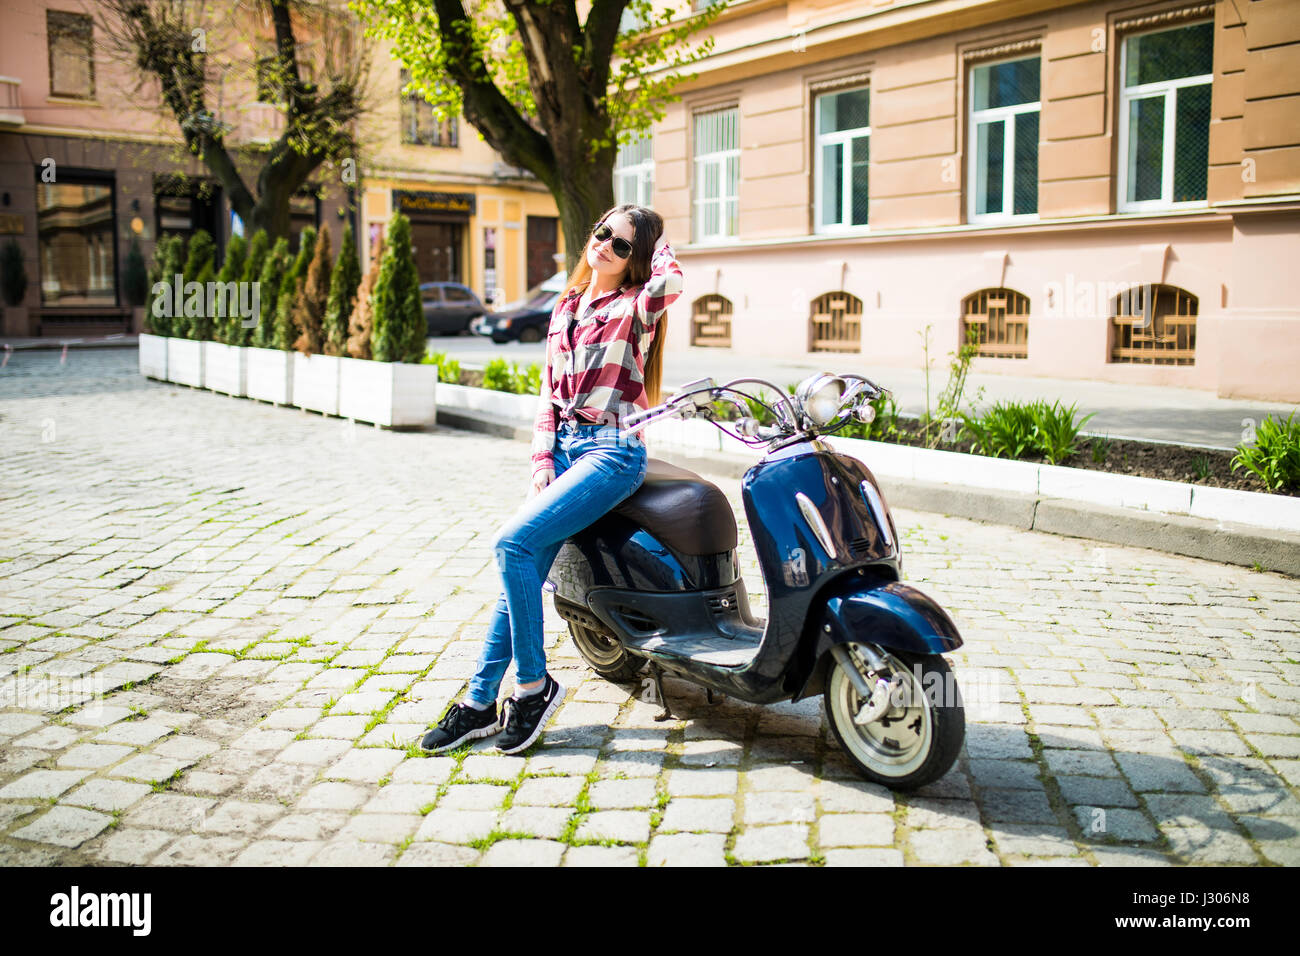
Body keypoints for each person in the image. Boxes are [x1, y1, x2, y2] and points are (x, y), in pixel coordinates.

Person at [421, 204, 683, 755]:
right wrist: (542, 462)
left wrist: (652, 236)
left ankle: (534, 688)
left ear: (636, 260)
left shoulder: (637, 306)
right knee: (520, 565)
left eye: (621, 244)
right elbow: (548, 396)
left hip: (612, 453)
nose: (605, 245)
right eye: (601, 232)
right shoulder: (565, 305)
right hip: (563, 450)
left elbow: (672, 279)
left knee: (512, 542)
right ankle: (478, 703)